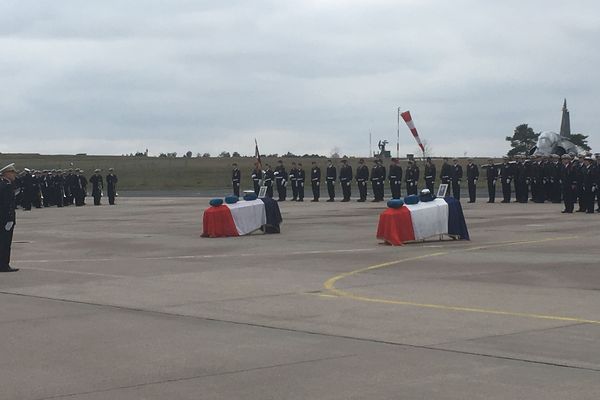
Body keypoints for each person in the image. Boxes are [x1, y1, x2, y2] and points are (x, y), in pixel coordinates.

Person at [0, 163, 19, 272]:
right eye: (12, 173)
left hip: (3, 218)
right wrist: (10, 219)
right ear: (7, 174)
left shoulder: (4, 185)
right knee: (5, 243)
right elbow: (7, 205)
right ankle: (3, 265)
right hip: (4, 219)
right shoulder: (5, 186)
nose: (14, 175)